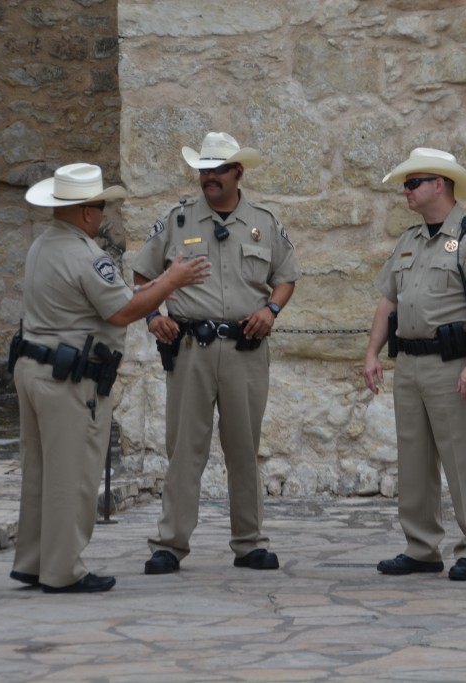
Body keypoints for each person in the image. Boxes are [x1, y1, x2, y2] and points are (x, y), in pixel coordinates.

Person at [12, 163, 209, 593]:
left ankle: (32, 560)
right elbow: (122, 311)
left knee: (40, 472)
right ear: (86, 212)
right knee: (72, 475)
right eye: (101, 207)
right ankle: (63, 570)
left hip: (33, 368)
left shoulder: (43, 246)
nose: (103, 216)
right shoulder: (87, 255)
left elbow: (115, 298)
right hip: (69, 380)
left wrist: (158, 284)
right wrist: (173, 279)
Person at [134, 132, 301, 575]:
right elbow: (141, 274)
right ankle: (170, 544)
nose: (208, 177)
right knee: (184, 449)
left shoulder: (263, 222)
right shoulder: (178, 221)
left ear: (238, 173)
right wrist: (152, 316)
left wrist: (272, 308)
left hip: (246, 349)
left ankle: (249, 543)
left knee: (243, 449)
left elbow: (286, 275)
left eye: (217, 170)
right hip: (190, 347)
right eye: (203, 170)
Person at [363, 148, 466, 582]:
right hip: (408, 362)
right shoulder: (408, 240)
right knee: (414, 459)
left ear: (439, 185)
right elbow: (388, 299)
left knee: (463, 458)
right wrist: (372, 352)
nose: (405, 191)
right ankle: (421, 546)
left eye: (413, 183)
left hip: (450, 363)